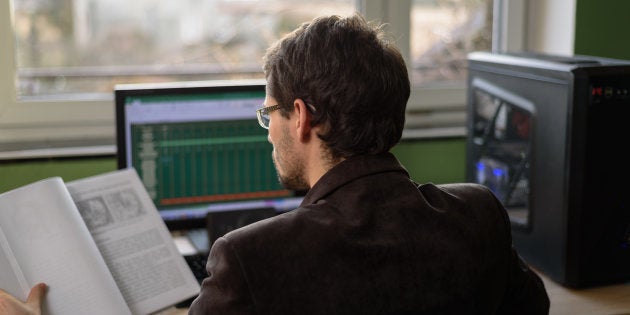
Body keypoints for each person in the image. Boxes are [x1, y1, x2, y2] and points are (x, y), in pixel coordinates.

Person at [1, 13, 549, 315]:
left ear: (303, 118)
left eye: (270, 115)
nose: (270, 133)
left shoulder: (250, 258)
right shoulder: (478, 214)